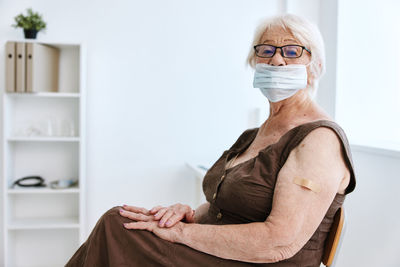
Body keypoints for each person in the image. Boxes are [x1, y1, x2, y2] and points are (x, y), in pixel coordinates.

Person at [66, 13, 356, 267]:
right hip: (222, 255)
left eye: (293, 51)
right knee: (120, 221)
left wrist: (181, 234)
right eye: (266, 50)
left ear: (315, 66)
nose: (277, 60)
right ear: (254, 63)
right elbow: (227, 206)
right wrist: (188, 216)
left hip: (259, 262)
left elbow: (278, 242)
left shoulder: (319, 140)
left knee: (117, 228)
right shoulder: (254, 135)